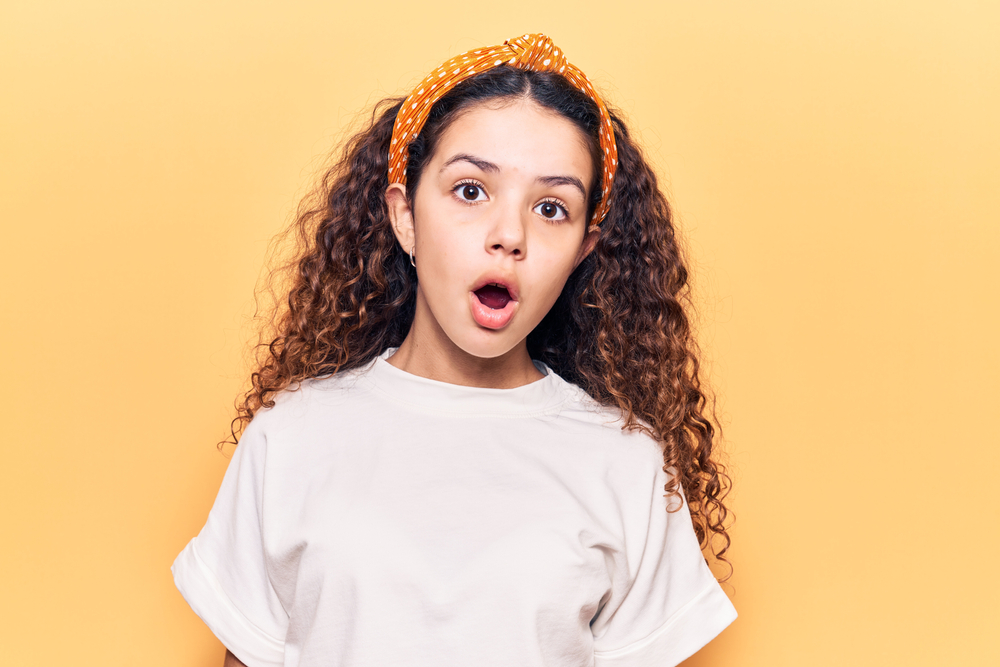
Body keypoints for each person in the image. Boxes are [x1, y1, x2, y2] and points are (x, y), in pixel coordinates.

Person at [171, 33, 737, 667]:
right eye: (471, 191)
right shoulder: (294, 435)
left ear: (584, 250)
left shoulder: (626, 464)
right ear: (405, 215)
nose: (509, 236)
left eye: (551, 208)